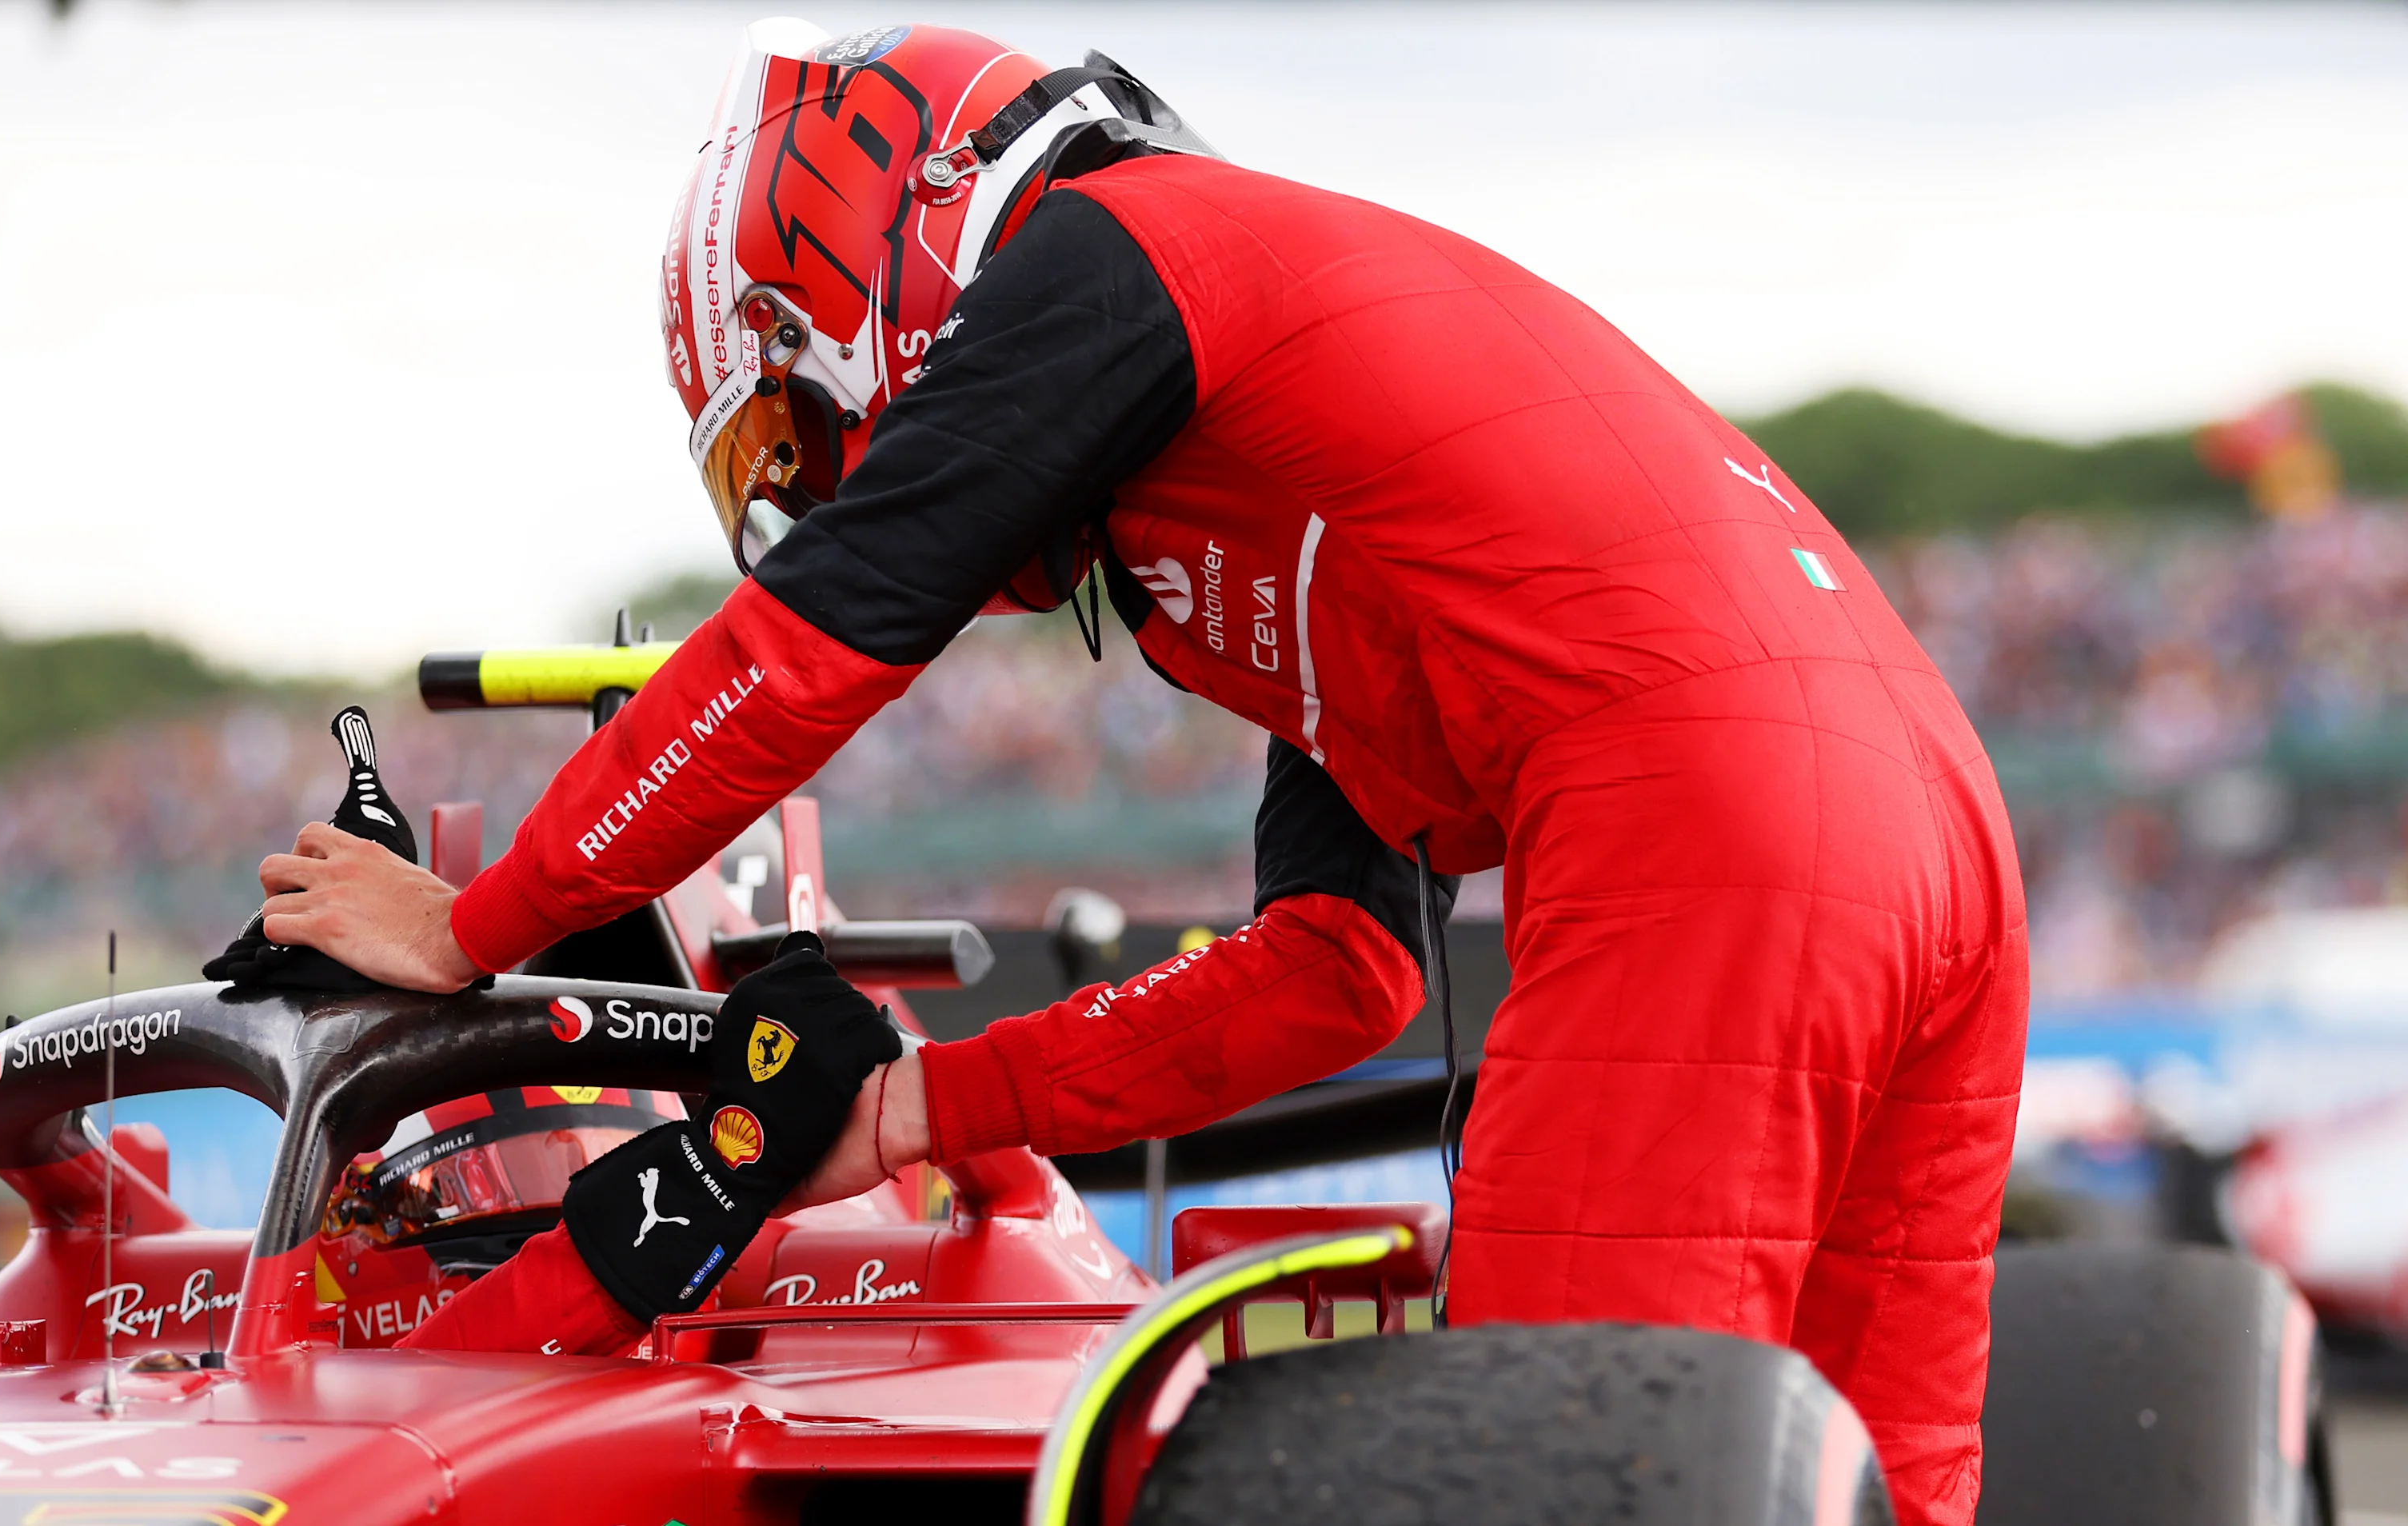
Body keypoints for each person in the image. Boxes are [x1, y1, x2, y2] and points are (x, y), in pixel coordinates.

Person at [256, 22, 2026, 1524]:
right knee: (1883, 1477)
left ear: (882, 237)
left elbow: (823, 634)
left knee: (1569, 1466)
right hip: (1933, 824)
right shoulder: (1307, 436)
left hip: (1702, 825)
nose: (808, 494)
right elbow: (1344, 974)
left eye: (792, 432)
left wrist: (481, 919)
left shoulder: (1116, 254)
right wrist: (917, 1113)